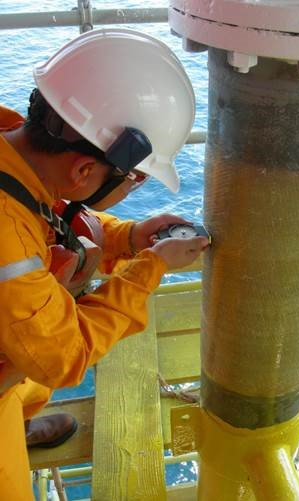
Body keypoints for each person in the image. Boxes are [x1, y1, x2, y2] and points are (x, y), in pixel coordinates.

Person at [0, 28, 209, 500]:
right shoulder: (8, 246)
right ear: (82, 170)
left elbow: (51, 213)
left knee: (25, 379)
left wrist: (129, 237)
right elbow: (65, 354)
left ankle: (16, 418)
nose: (133, 188)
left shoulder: (12, 147)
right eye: (133, 180)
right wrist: (149, 267)